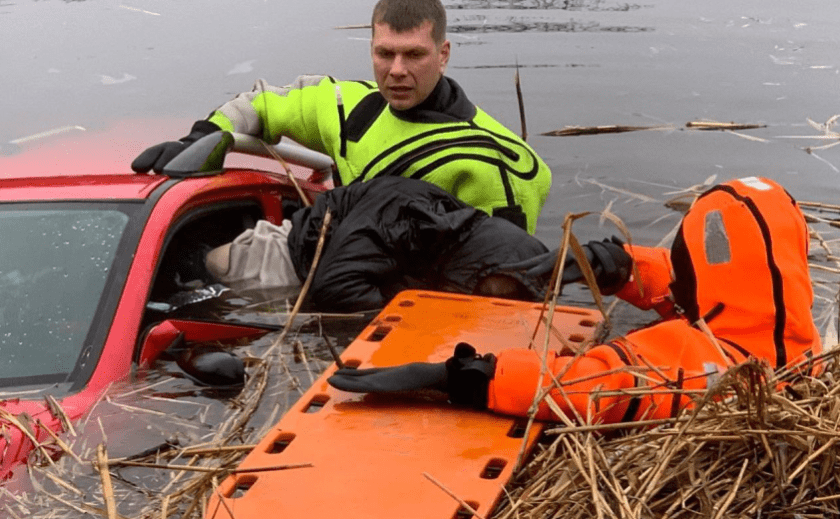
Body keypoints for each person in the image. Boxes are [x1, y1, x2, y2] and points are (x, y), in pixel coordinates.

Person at [327, 176, 823, 424]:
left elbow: (591, 386)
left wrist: (464, 376)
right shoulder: (796, 341)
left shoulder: (700, 367)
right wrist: (618, 265)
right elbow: (717, 288)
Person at [131, 0, 552, 234]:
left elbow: (502, 278)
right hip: (346, 263)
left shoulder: (496, 163)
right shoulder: (347, 107)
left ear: (443, 55)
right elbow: (260, 104)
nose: (397, 70)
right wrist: (204, 137)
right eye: (385, 53)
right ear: (371, 49)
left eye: (414, 55)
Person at [204, 176, 630, 313]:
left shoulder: (499, 252)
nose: (492, 305)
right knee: (215, 267)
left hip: (356, 257)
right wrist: (418, 311)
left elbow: (539, 274)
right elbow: (333, 288)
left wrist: (602, 265)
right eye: (489, 295)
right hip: (286, 261)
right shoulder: (400, 220)